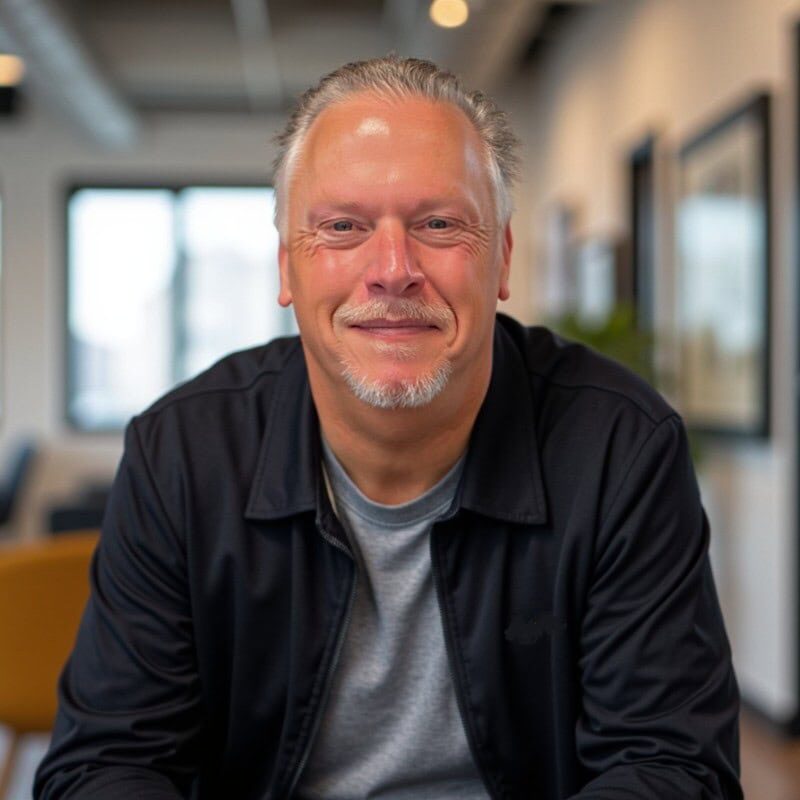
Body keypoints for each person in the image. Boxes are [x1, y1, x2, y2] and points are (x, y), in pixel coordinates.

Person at [35, 56, 741, 799]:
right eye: (343, 227)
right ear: (286, 269)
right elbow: (107, 766)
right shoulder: (182, 454)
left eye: (438, 224)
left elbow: (671, 768)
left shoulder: (618, 449)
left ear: (501, 259)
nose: (393, 269)